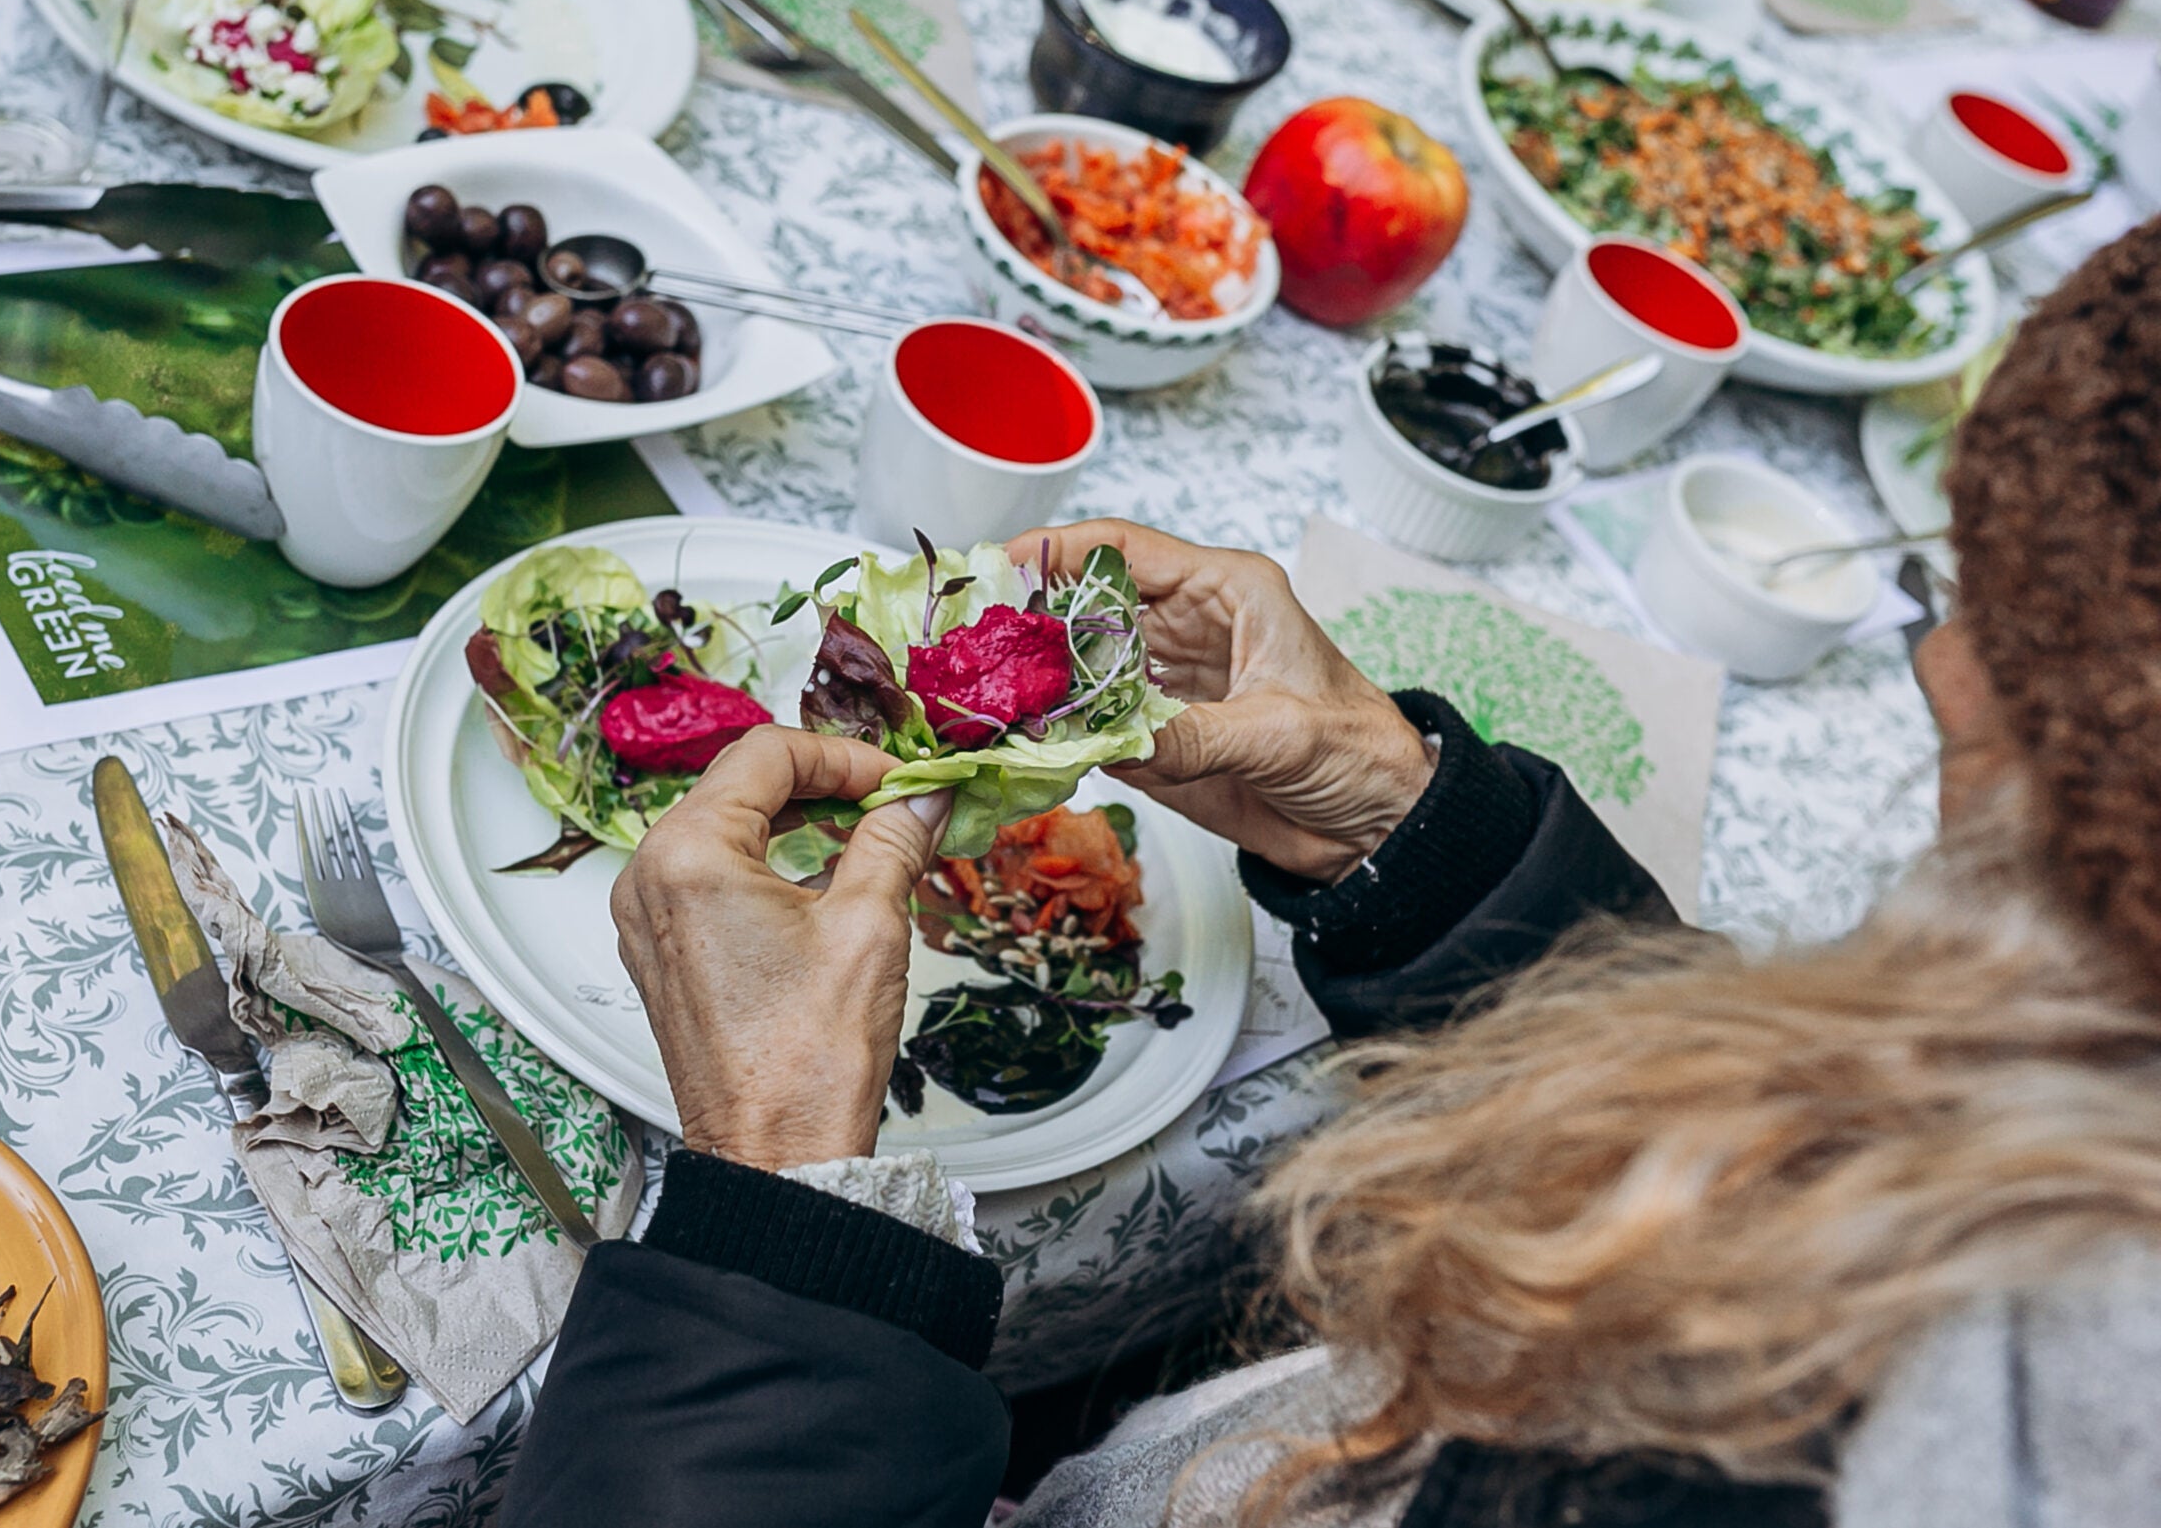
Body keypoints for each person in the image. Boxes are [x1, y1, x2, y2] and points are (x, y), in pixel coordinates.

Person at [496, 219, 2161, 1528]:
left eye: (2015, 647)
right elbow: (1781, 1185)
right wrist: (1411, 832)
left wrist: (778, 1209)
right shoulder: (2058, 1108)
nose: (1939, 674)